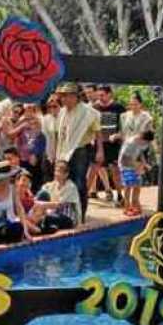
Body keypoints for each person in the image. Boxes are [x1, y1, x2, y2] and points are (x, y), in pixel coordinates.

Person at [54, 83, 104, 223]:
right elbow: (60, 134)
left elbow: (98, 132)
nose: (64, 99)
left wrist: (100, 150)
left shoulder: (89, 112)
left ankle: (80, 214)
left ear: (76, 97)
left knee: (79, 183)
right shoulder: (62, 112)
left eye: (67, 96)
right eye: (62, 96)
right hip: (64, 150)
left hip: (81, 150)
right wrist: (56, 153)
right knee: (63, 182)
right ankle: (66, 214)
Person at [90, 85, 126, 204]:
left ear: (110, 94)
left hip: (114, 145)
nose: (100, 97)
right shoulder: (94, 107)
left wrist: (117, 135)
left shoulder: (119, 108)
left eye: (102, 95)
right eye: (99, 95)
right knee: (93, 169)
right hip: (99, 144)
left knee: (115, 171)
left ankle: (121, 196)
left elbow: (125, 127)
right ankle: (85, 195)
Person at [36, 160, 82, 231]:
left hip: (67, 218)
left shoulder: (71, 187)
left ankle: (43, 225)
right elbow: (42, 192)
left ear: (66, 174)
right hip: (52, 213)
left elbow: (59, 204)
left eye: (59, 172)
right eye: (56, 171)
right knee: (43, 194)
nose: (56, 174)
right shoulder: (52, 185)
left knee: (47, 218)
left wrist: (41, 205)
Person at [118, 130, 155, 216]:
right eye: (146, 142)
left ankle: (135, 203)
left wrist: (144, 164)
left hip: (134, 164)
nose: (146, 145)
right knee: (128, 186)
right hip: (125, 166)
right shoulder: (130, 144)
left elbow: (141, 152)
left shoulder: (143, 143)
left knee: (137, 185)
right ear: (142, 138)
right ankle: (126, 207)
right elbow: (124, 159)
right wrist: (137, 166)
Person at [15, 103, 46, 191]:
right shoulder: (22, 122)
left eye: (32, 109)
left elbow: (41, 140)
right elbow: (17, 140)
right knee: (23, 177)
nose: (29, 111)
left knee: (35, 179)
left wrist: (35, 154)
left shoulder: (38, 121)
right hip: (23, 158)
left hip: (34, 158)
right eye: (27, 109)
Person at [41, 94, 61, 183]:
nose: (52, 109)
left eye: (55, 106)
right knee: (47, 177)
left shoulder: (66, 118)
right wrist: (51, 155)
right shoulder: (45, 119)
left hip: (62, 153)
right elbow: (47, 138)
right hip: (49, 152)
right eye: (50, 106)